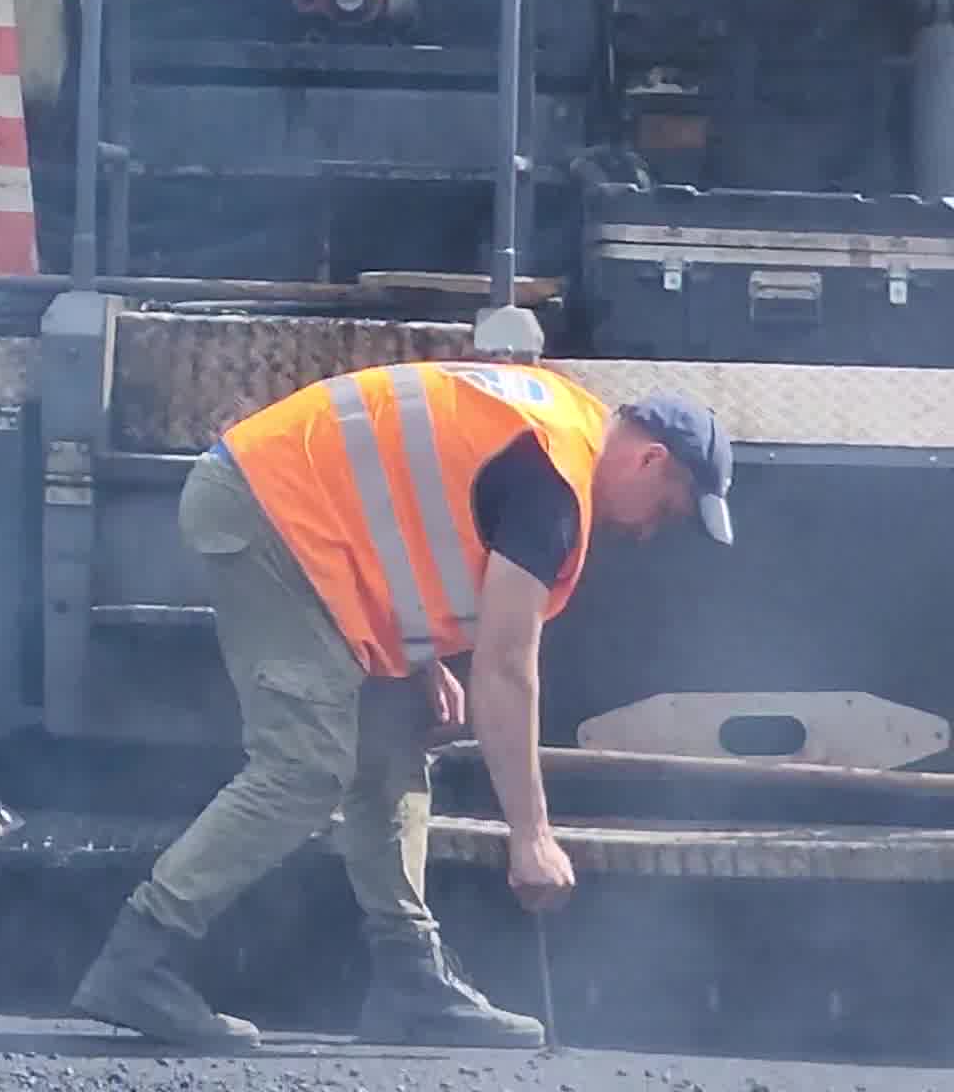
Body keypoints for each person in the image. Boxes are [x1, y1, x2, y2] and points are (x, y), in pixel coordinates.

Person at [69, 359, 734, 1051]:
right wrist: (531, 836)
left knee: (391, 743)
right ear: (652, 460)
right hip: (273, 514)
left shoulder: (565, 422)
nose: (651, 530)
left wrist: (420, 659)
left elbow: (411, 500)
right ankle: (139, 957)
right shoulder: (556, 482)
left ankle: (410, 979)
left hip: (312, 527)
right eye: (667, 508)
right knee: (304, 768)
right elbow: (507, 668)